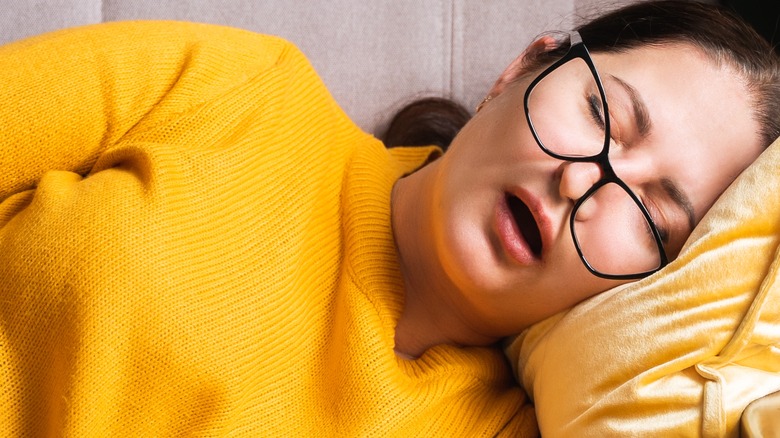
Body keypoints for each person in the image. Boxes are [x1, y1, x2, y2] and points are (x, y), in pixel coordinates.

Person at [0, 1, 777, 436]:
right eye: (602, 114)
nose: (584, 182)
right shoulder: (243, 90)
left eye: (649, 213)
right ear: (523, 66)